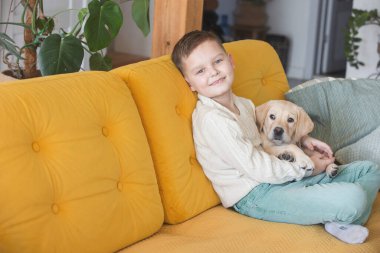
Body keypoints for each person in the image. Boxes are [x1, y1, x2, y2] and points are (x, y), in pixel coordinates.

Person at [171, 30, 380, 244]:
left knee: (370, 170)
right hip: (255, 195)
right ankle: (339, 213)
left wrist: (304, 140)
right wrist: (308, 167)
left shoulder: (244, 105)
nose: (213, 72)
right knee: (353, 197)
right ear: (190, 84)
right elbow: (256, 168)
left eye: (217, 61)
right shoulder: (213, 120)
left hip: (279, 178)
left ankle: (337, 221)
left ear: (230, 61)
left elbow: (270, 135)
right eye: (200, 71)